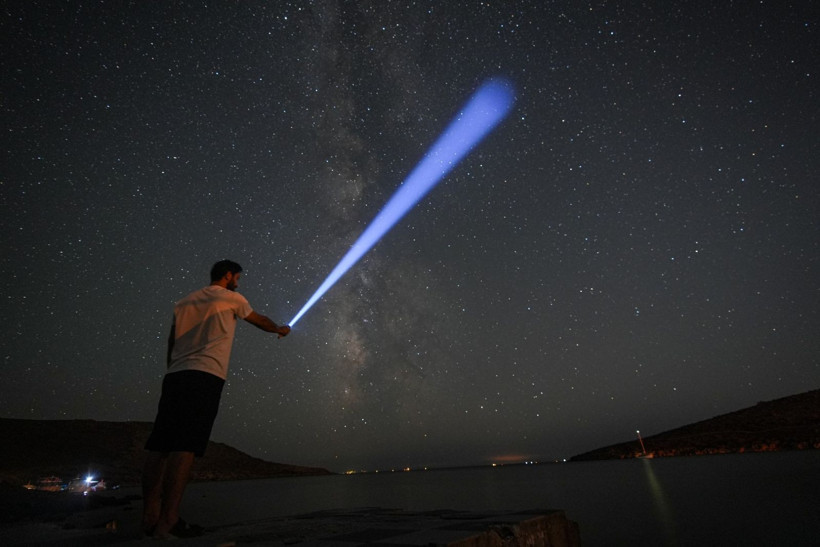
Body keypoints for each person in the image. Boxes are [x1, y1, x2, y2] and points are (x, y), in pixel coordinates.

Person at [141, 259, 290, 539]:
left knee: (159, 444)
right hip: (205, 374)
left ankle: (149, 516)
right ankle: (169, 521)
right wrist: (281, 329)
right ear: (228, 275)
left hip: (175, 375)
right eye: (237, 277)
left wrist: (173, 367)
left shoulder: (184, 302)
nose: (239, 282)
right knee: (185, 445)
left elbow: (172, 342)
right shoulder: (231, 298)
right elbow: (260, 320)